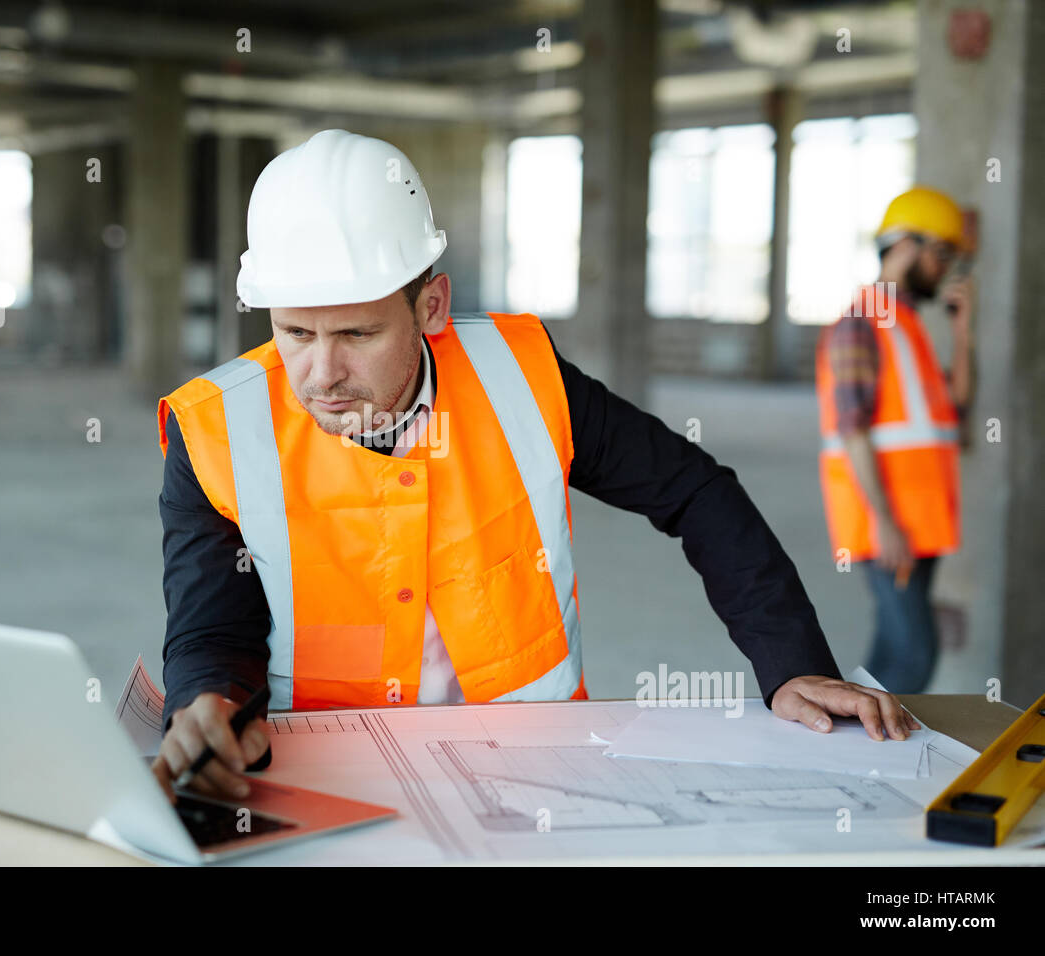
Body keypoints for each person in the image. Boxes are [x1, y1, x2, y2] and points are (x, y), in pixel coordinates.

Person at [152, 129, 919, 802]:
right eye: (294, 333)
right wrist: (209, 705)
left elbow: (694, 490)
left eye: (356, 334)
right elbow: (214, 625)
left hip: (537, 780)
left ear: (430, 308)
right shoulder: (216, 430)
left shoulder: (521, 377)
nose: (321, 374)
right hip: (329, 781)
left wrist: (793, 667)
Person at [815, 186, 973, 693]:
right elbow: (852, 428)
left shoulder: (906, 326)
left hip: (920, 520)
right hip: (886, 523)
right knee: (913, 654)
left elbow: (958, 408)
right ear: (906, 246)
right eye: (940, 253)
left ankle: (856, 756)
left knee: (892, 651)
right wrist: (885, 520)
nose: (944, 267)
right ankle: (872, 764)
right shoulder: (860, 325)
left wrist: (964, 333)